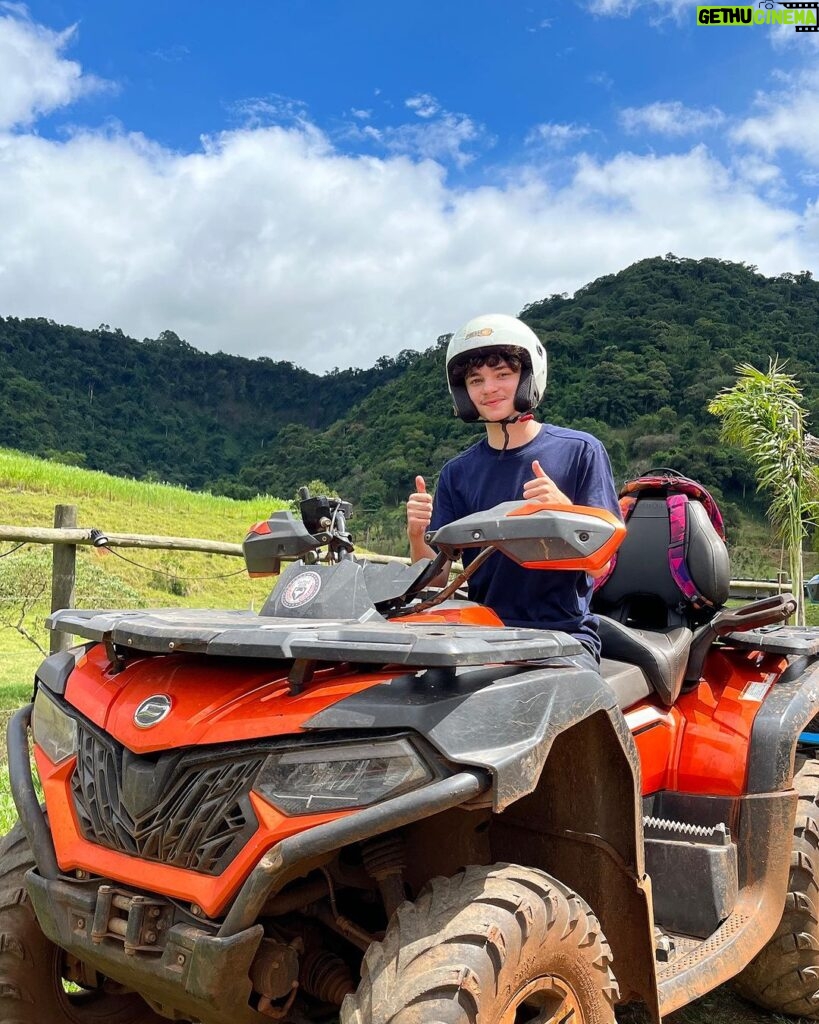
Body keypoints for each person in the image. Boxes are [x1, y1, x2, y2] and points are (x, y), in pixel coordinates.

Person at [406, 312, 620, 671]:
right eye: (476, 380)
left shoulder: (580, 451)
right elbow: (436, 582)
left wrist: (565, 514)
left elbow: (605, 568)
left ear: (527, 378)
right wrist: (416, 535)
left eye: (503, 374)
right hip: (481, 637)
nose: (489, 388)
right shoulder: (458, 472)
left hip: (563, 638)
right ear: (463, 392)